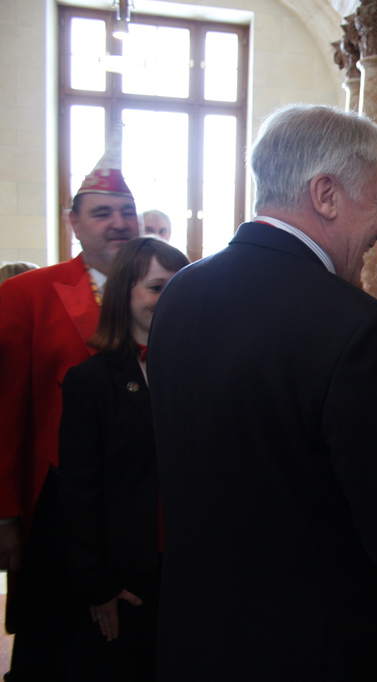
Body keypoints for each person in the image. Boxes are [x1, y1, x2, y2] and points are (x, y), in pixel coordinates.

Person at [146, 103, 377, 681]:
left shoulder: (182, 293)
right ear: (326, 194)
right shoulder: (361, 328)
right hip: (314, 652)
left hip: (196, 642)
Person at [0, 134, 138, 680]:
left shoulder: (170, 292)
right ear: (74, 223)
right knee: (53, 647)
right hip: (54, 504)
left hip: (136, 504)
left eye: (126, 212)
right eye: (102, 213)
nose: (119, 223)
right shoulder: (25, 296)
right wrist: (6, 514)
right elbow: (5, 412)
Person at [59, 236, 188, 681]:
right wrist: (97, 584)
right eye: (156, 287)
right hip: (129, 573)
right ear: (123, 294)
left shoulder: (207, 371)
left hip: (195, 571)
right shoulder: (89, 383)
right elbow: (79, 491)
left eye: (178, 287)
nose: (168, 299)